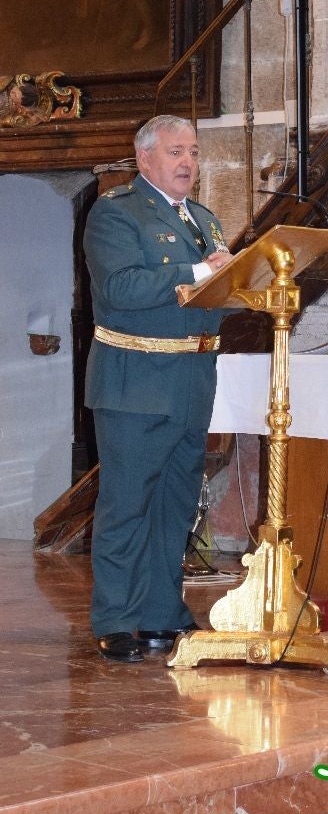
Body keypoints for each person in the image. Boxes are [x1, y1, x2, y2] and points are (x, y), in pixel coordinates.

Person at [83, 115, 231, 662]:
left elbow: (215, 291)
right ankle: (117, 618)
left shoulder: (205, 220)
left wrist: (250, 281)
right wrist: (199, 273)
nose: (188, 162)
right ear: (145, 158)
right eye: (175, 151)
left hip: (191, 381)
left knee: (176, 504)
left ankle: (160, 614)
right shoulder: (116, 213)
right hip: (134, 382)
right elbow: (121, 288)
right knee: (127, 504)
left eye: (192, 151)